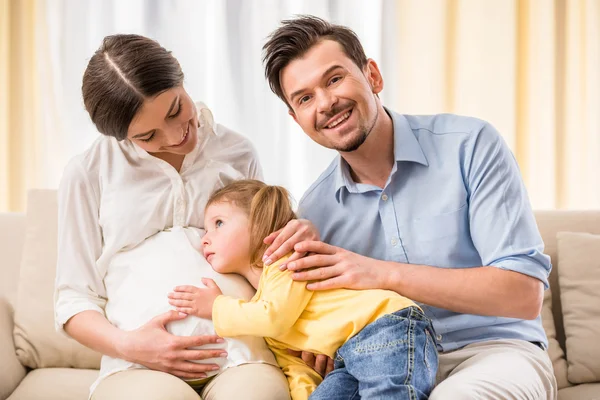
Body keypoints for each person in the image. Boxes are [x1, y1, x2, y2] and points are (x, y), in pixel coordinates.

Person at [259, 15, 558, 399]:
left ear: (373, 76)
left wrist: (379, 273)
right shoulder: (315, 211)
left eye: (334, 79)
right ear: (296, 118)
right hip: (382, 364)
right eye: (304, 98)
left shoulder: (470, 145)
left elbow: (522, 294)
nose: (326, 103)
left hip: (493, 352)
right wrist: (320, 344)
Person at [54, 34, 318, 400]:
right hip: (137, 365)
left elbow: (267, 259)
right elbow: (73, 299)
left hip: (244, 353)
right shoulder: (88, 173)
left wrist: (296, 233)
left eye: (176, 109)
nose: (177, 135)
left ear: (179, 73)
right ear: (121, 137)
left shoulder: (237, 153)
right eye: (148, 136)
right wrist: (130, 346)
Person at [166, 179, 438, 400]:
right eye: (206, 229)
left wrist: (216, 306)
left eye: (219, 223)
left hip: (385, 326)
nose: (205, 238)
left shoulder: (289, 263)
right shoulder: (266, 314)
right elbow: (296, 371)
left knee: (388, 394)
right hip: (347, 357)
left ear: (260, 224)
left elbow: (272, 317)